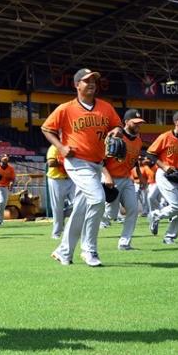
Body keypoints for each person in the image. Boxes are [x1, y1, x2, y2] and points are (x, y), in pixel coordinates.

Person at [42, 68, 122, 267]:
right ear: (77, 85)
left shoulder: (105, 107)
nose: (92, 83)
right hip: (77, 161)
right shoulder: (66, 108)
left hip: (96, 163)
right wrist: (60, 147)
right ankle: (89, 250)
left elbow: (117, 126)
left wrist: (116, 131)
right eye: (86, 80)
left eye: (94, 79)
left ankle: (63, 251)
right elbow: (46, 128)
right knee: (97, 199)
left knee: (81, 208)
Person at [147, 111, 178, 245]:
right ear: (176, 122)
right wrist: (163, 166)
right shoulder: (165, 137)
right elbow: (150, 154)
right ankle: (155, 215)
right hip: (165, 175)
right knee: (177, 206)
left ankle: (169, 237)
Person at [101, 109, 145, 250]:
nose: (139, 125)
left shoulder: (138, 140)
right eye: (135, 122)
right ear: (126, 122)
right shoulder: (114, 136)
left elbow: (135, 160)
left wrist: (140, 175)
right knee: (111, 215)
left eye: (140, 123)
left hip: (126, 179)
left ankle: (124, 243)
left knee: (133, 209)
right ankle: (90, 213)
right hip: (111, 178)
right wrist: (107, 176)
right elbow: (100, 160)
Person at [46, 144, 74, 239]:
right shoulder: (54, 147)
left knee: (79, 204)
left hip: (71, 178)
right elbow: (50, 163)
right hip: (56, 179)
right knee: (57, 207)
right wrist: (64, 161)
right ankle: (56, 233)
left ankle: (62, 215)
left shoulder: (73, 146)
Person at [0, 154, 15, 226]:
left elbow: (12, 178)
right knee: (0, 202)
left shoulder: (10, 168)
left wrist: (11, 183)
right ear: (1, 159)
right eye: (4, 159)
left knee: (3, 204)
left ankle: (0, 220)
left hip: (5, 187)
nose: (5, 160)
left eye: (7, 159)